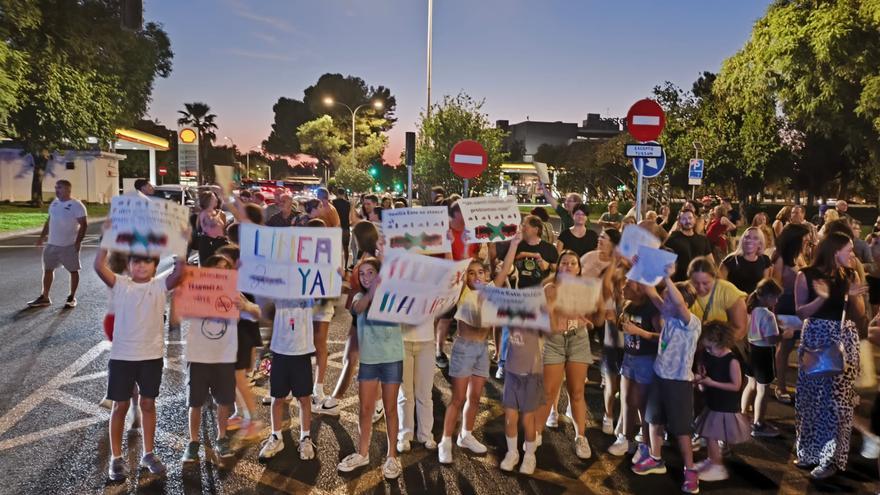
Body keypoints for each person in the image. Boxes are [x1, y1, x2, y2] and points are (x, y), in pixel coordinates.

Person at [93, 232, 186, 482]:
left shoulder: (158, 285)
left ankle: (148, 453)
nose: (141, 265)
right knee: (120, 406)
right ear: (128, 265)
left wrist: (181, 243)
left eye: (147, 262)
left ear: (156, 266)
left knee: (147, 404)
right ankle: (115, 457)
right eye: (136, 261)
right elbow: (98, 266)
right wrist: (108, 238)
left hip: (151, 358)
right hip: (123, 357)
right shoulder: (121, 284)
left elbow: (179, 273)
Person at [794, 232, 865, 479]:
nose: (853, 254)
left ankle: (830, 459)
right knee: (811, 399)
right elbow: (802, 312)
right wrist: (821, 298)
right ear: (835, 251)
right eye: (849, 249)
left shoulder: (850, 275)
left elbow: (860, 315)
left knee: (837, 404)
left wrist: (853, 294)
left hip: (842, 341)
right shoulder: (806, 275)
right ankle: (809, 453)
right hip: (814, 337)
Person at [631, 270, 701, 495]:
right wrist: (642, 266)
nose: (665, 300)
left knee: (681, 429)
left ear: (686, 302)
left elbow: (678, 303)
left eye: (668, 297)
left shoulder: (690, 322)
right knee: (654, 419)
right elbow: (651, 292)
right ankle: (655, 458)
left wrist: (667, 277)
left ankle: (690, 470)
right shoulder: (669, 316)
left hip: (678, 382)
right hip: (660, 376)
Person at [337, 258, 405, 480]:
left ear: (379, 273)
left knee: (390, 409)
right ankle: (363, 453)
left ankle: (392, 456)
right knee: (365, 409)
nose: (366, 277)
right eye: (362, 274)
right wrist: (372, 289)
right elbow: (358, 308)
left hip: (393, 358)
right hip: (369, 360)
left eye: (371, 272)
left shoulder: (392, 295)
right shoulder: (358, 297)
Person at [179, 254, 248, 465]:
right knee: (195, 402)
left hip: (223, 357)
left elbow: (240, 315)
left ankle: (221, 437)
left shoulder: (236, 294)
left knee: (224, 400)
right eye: (217, 269)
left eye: (226, 270)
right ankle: (193, 442)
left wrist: (242, 304)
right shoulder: (196, 290)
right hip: (199, 356)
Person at [439, 257, 508, 464]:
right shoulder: (463, 292)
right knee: (458, 398)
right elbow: (454, 270)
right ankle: (445, 441)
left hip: (482, 349)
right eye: (471, 272)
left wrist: (514, 244)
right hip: (464, 348)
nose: (476, 275)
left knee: (475, 396)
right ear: (465, 277)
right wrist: (452, 245)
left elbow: (504, 271)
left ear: (486, 275)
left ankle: (465, 435)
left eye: (480, 272)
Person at [534, 250, 594, 460]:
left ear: (579, 269)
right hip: (555, 341)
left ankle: (580, 437)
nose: (568, 266)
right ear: (558, 267)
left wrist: (584, 318)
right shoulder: (550, 288)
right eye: (564, 263)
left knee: (577, 392)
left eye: (573, 264)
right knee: (549, 392)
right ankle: (536, 435)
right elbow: (547, 325)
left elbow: (589, 313)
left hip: (578, 339)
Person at [495, 216, 559, 379]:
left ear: (536, 229)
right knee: (509, 330)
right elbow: (503, 264)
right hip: (516, 293)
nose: (522, 228)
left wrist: (547, 264)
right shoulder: (516, 245)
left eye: (525, 226)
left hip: (538, 295)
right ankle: (503, 364)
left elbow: (557, 269)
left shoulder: (548, 249)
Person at [257, 296, 319, 462]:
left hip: (301, 353)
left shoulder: (308, 292)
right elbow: (265, 307)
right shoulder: (279, 291)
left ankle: (305, 438)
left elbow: (322, 290)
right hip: (280, 352)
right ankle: (276, 437)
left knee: (304, 399)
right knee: (277, 398)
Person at [608, 279, 662, 459]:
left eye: (628, 286)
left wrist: (640, 333)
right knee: (626, 400)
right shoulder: (628, 306)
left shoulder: (652, 310)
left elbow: (664, 337)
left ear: (641, 289)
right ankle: (626, 438)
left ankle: (645, 444)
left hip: (646, 360)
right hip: (629, 357)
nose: (623, 287)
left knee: (642, 404)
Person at [693, 322, 751, 482]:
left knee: (711, 435)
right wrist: (701, 380)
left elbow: (736, 385)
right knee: (709, 434)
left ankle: (717, 466)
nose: (707, 349)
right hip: (713, 401)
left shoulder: (731, 360)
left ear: (720, 341)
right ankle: (712, 461)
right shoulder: (708, 354)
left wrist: (712, 383)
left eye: (710, 346)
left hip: (726, 404)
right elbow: (706, 379)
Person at [28, 180, 88, 308]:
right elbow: (49, 221)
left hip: (68, 245)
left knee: (73, 271)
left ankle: (71, 297)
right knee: (48, 270)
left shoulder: (76, 205)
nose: (56, 190)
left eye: (59, 188)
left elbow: (84, 224)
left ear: (67, 190)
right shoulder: (54, 203)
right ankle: (45, 297)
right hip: (52, 245)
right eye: (56, 187)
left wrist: (78, 242)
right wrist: (41, 237)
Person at [435, 202, 480, 369]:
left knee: (465, 319)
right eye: (465, 212)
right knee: (444, 318)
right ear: (456, 214)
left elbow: (474, 253)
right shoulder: (444, 232)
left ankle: (463, 352)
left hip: (466, 284)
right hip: (446, 283)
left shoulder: (470, 232)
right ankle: (438, 350)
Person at [771, 223, 811, 404]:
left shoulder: (799, 256)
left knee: (799, 347)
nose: (807, 241)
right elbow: (775, 286)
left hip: (800, 304)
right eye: (804, 239)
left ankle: (798, 385)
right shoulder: (780, 258)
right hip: (785, 305)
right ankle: (780, 386)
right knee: (785, 348)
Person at [741, 278, 783, 438]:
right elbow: (771, 339)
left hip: (751, 350)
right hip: (764, 353)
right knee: (763, 390)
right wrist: (785, 334)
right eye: (775, 297)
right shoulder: (768, 315)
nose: (776, 300)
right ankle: (758, 424)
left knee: (750, 384)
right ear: (766, 297)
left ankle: (743, 415)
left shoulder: (749, 310)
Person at [687, 257, 748, 341]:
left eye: (705, 283)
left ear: (714, 278)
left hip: (720, 346)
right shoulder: (683, 290)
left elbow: (740, 329)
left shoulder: (728, 291)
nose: (700, 288)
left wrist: (717, 347)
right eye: (695, 283)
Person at [663, 209, 713, 282]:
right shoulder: (672, 240)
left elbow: (711, 262)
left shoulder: (703, 239)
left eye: (690, 218)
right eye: (684, 219)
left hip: (699, 282)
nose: (688, 221)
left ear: (694, 220)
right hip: (680, 283)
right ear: (679, 222)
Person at [719, 226, 772, 294]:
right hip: (734, 301)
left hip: (755, 301)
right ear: (742, 240)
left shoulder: (765, 260)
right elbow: (719, 287)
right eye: (747, 237)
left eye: (755, 238)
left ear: (760, 244)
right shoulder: (730, 260)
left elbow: (764, 286)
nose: (750, 240)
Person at [197, 191, 227, 263]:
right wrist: (219, 213)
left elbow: (223, 229)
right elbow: (211, 223)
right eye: (214, 198)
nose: (216, 199)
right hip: (209, 245)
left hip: (219, 243)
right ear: (208, 201)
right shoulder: (204, 213)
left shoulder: (217, 213)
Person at [333, 188, 352, 269]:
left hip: (336, 227)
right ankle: (345, 266)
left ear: (337, 193)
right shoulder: (348, 203)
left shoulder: (334, 202)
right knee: (345, 248)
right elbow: (350, 215)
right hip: (346, 227)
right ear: (344, 193)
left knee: (335, 248)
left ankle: (336, 266)